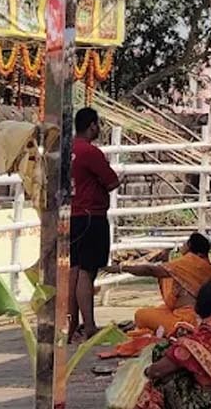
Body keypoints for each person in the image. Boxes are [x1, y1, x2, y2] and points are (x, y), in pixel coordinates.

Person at [133, 279, 211, 409]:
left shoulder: (194, 343)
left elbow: (157, 371)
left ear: (198, 306)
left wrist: (147, 372)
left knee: (163, 379)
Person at [69, 105, 120, 341]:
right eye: (97, 124)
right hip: (92, 214)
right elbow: (111, 182)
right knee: (87, 272)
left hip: (74, 213)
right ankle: (88, 324)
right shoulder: (90, 152)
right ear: (92, 126)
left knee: (75, 269)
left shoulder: (66, 149)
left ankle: (71, 322)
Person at [114, 232, 211, 335]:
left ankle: (182, 329)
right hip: (190, 314)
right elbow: (171, 276)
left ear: (193, 249)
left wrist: (122, 268)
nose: (183, 245)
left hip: (188, 318)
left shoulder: (190, 262)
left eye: (187, 243)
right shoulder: (208, 268)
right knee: (155, 310)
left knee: (140, 315)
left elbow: (151, 271)